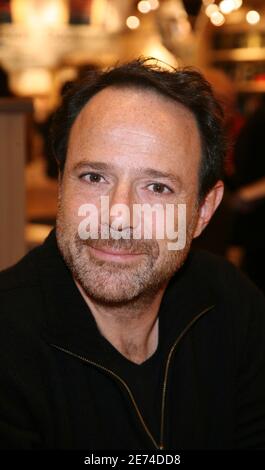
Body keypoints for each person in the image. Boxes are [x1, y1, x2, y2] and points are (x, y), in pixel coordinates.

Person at [0, 58, 265, 450]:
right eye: (94, 177)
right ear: (61, 189)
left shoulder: (233, 304)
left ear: (203, 212)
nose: (118, 215)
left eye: (157, 187)